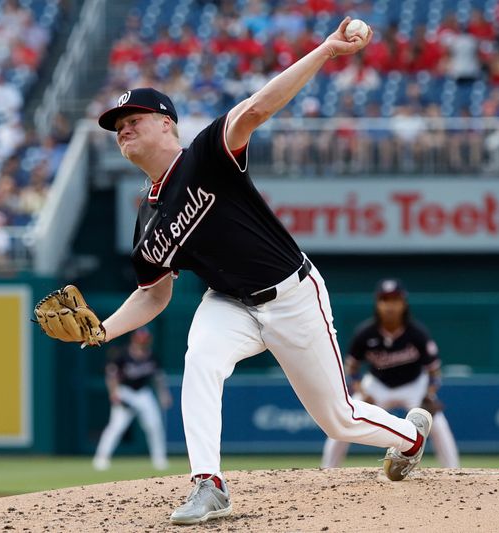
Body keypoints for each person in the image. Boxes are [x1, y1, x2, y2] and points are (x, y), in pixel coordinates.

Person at [90, 18, 433, 525]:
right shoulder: (145, 222)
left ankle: (410, 436)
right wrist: (102, 329)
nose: (124, 129)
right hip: (229, 302)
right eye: (118, 126)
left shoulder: (206, 155)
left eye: (134, 118)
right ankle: (208, 485)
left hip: (292, 294)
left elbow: (256, 108)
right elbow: (153, 295)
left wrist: (323, 51)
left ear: (167, 122)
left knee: (337, 419)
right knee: (201, 358)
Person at [321, 279, 460, 470]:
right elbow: (351, 368)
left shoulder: (417, 333)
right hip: (377, 386)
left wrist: (429, 394)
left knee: (438, 424)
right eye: (385, 300)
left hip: (414, 386)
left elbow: (434, 371)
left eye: (395, 300)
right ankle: (327, 470)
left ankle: (454, 471)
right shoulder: (365, 334)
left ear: (404, 303)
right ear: (377, 304)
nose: (389, 306)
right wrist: (361, 390)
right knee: (345, 418)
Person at [92, 327, 172, 471]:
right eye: (139, 338)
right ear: (134, 339)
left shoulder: (152, 356)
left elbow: (159, 378)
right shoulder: (122, 355)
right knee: (116, 426)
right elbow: (111, 375)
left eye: (145, 339)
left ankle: (159, 459)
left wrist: (164, 395)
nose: (142, 341)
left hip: (143, 393)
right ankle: (101, 458)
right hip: (125, 392)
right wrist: (114, 392)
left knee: (154, 425)